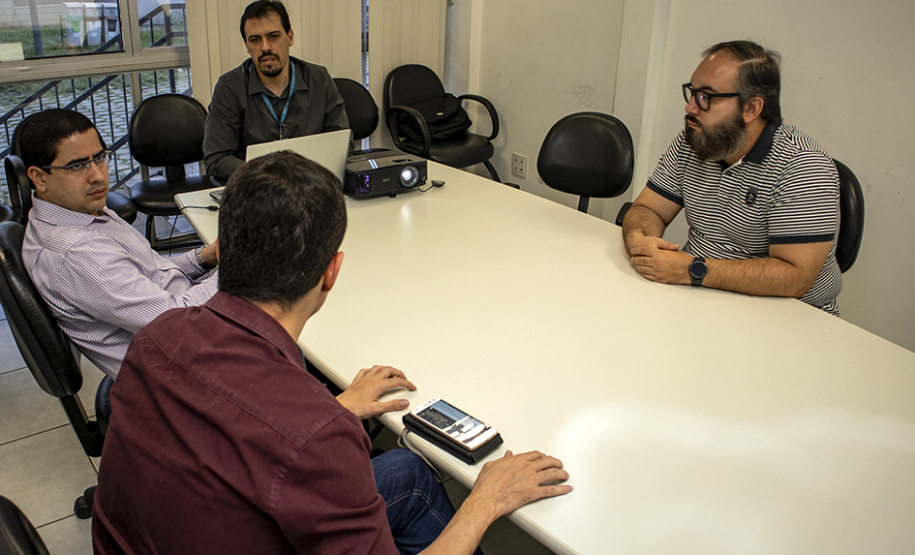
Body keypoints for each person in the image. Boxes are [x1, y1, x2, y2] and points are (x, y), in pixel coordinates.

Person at [91, 151, 573, 553]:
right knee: (460, 500)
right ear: (332, 272)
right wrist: (486, 500)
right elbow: (289, 439)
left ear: (226, 249)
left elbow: (231, 436)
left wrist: (333, 409)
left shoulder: (157, 337)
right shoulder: (319, 438)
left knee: (406, 469)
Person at [622, 40, 842, 315]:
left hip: (786, 316)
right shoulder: (694, 141)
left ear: (751, 108)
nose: (691, 107)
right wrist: (639, 239)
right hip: (701, 299)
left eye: (706, 97)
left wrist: (691, 269)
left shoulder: (803, 167)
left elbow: (795, 277)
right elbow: (648, 208)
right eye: (692, 92)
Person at [19, 108, 219, 378]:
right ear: (39, 177)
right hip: (182, 375)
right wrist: (238, 266)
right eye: (77, 165)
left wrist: (205, 256)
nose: (98, 176)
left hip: (183, 338)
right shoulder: (78, 253)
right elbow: (180, 323)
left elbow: (152, 272)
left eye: (100, 158)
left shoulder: (80, 211)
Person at [203, 0, 349, 183]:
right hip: (255, 186)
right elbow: (216, 158)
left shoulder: (319, 79)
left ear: (290, 37)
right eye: (255, 40)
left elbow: (342, 142)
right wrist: (270, 175)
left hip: (310, 184)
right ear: (247, 46)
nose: (265, 47)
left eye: (273, 36)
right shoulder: (230, 88)